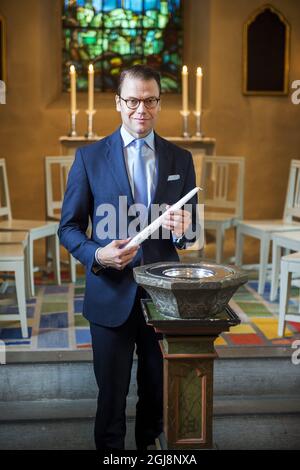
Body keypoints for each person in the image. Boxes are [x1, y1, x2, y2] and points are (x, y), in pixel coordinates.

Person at [58, 65, 199, 451]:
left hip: (162, 298)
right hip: (109, 296)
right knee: (111, 402)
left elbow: (189, 236)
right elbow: (67, 229)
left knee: (155, 398)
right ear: (118, 103)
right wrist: (98, 254)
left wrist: (184, 227)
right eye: (133, 100)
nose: (142, 109)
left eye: (150, 100)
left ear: (158, 103)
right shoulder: (89, 159)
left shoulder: (180, 159)